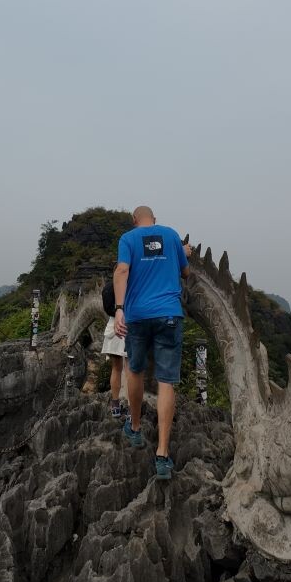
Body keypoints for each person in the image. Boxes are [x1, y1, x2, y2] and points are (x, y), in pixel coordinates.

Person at [112, 205, 190, 481]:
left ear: (135, 221)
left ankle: (134, 428)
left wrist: (119, 308)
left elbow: (122, 271)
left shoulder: (128, 239)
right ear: (153, 219)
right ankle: (162, 454)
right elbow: (186, 272)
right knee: (166, 382)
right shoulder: (171, 235)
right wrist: (184, 254)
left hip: (138, 316)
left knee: (135, 370)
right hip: (169, 314)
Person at [100, 275, 126, 420]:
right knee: (131, 370)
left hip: (112, 328)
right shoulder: (131, 284)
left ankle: (115, 405)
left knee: (116, 368)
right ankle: (129, 407)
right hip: (129, 326)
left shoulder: (110, 286)